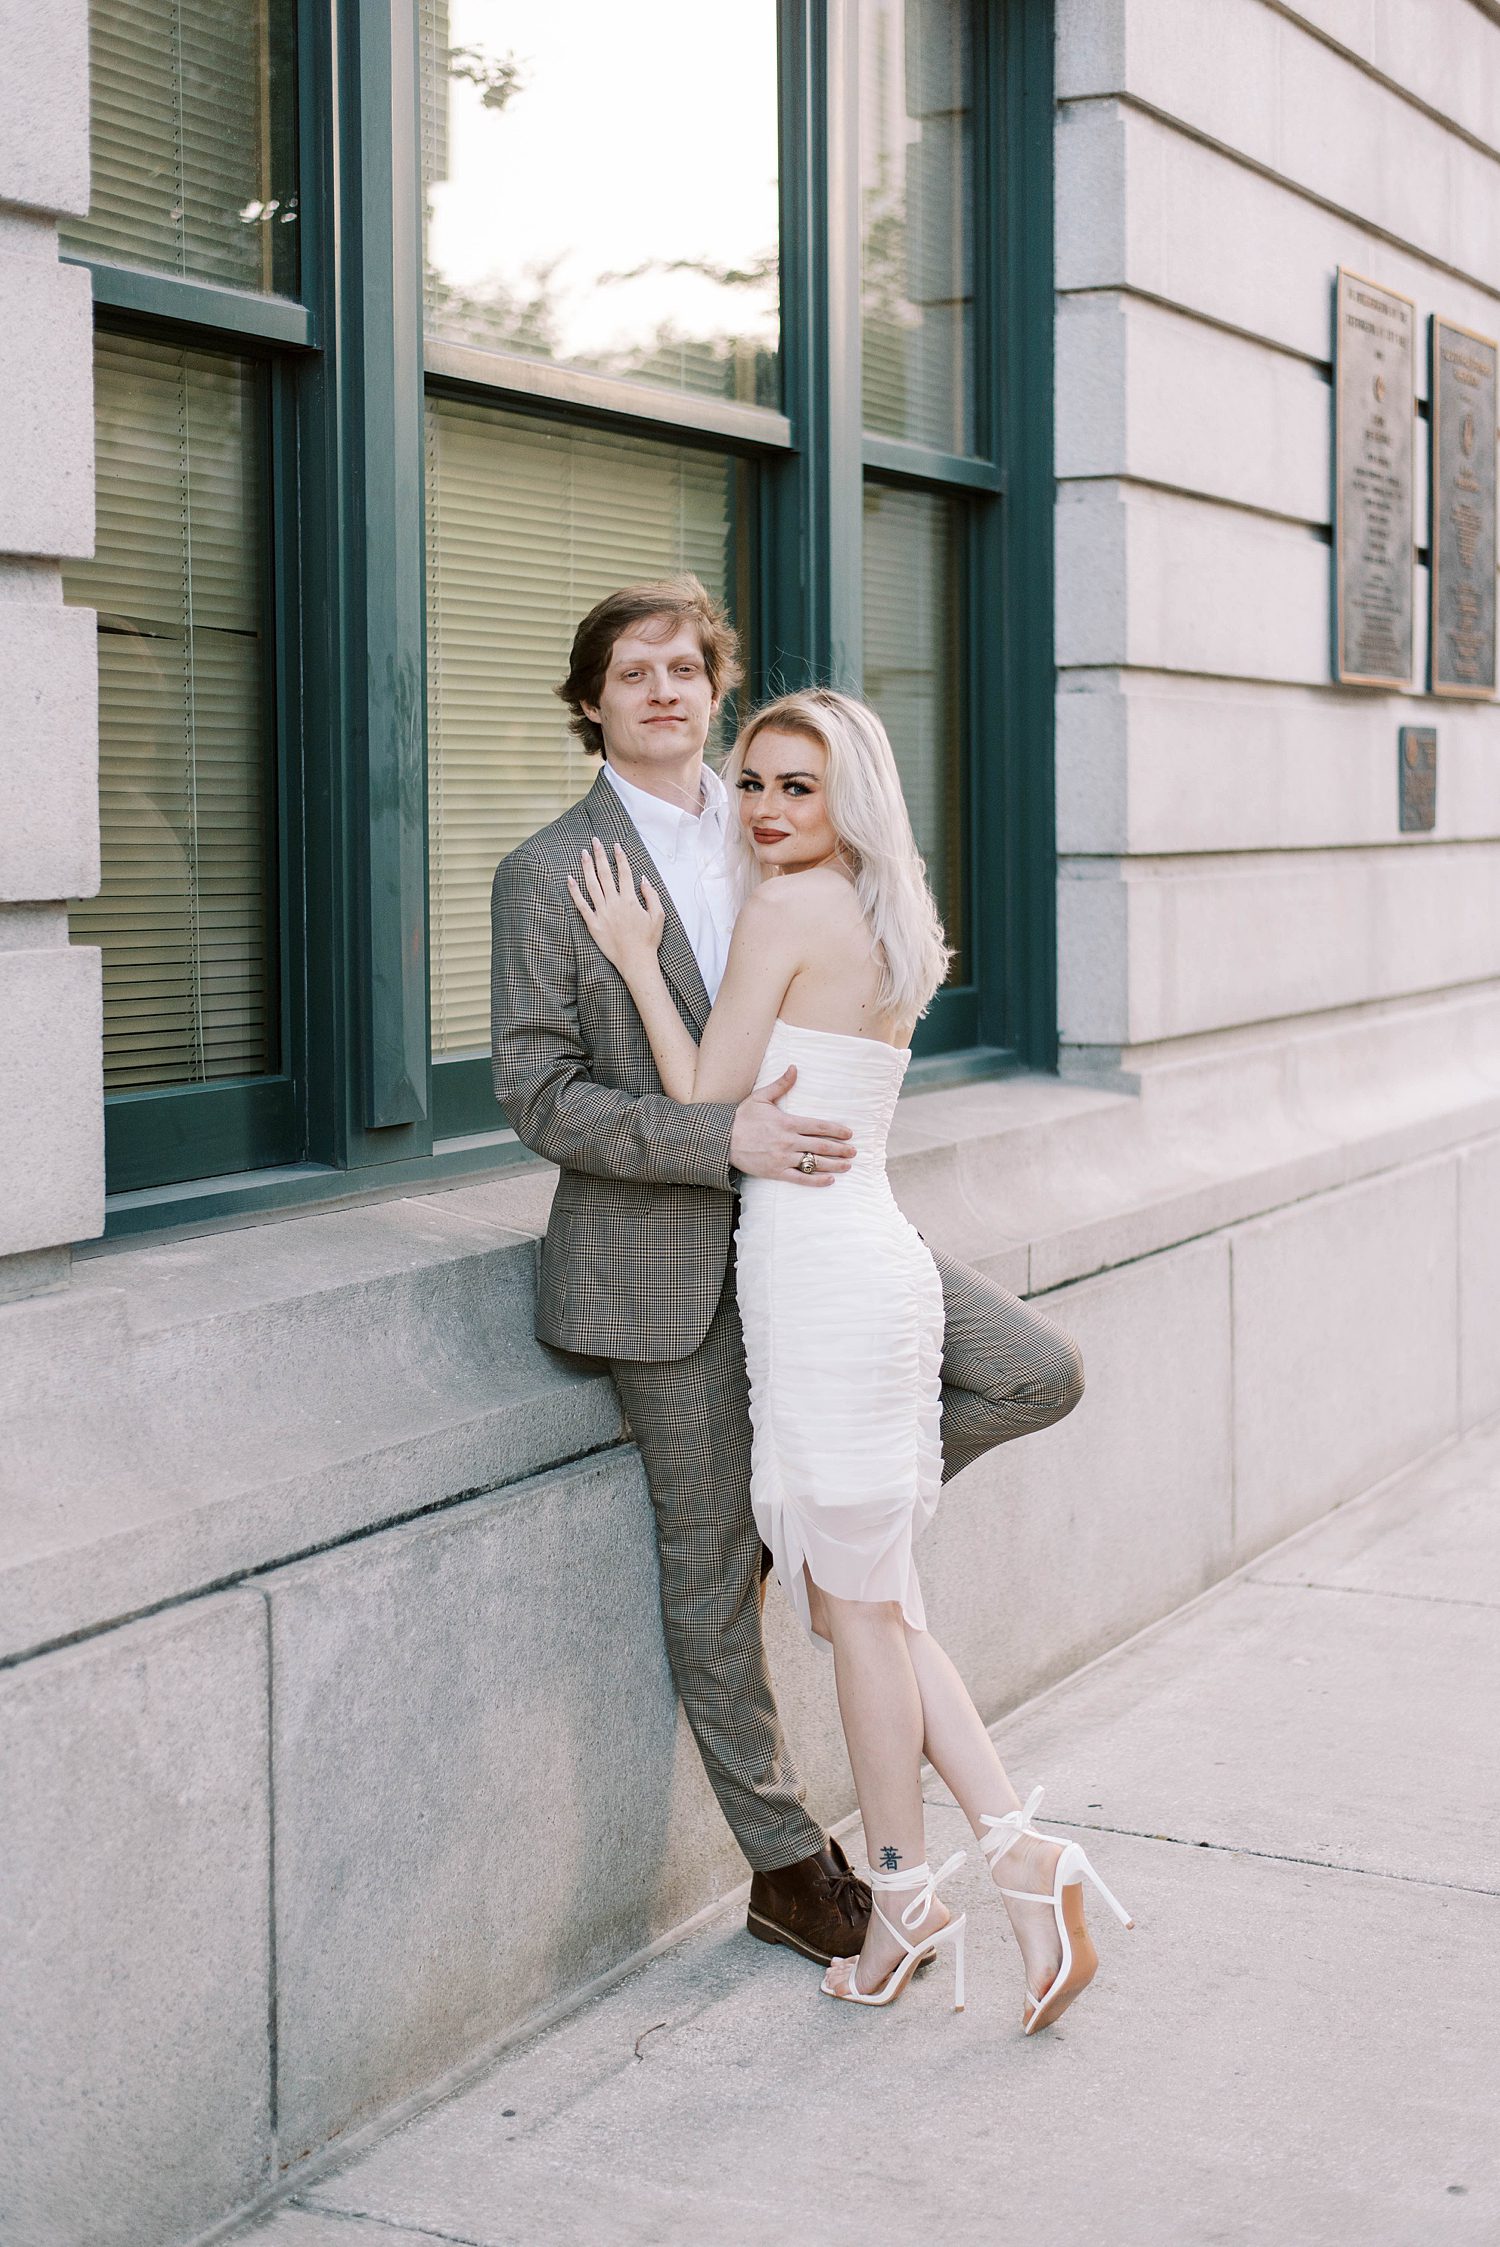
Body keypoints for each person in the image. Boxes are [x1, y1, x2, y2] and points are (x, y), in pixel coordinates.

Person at [490, 577, 1095, 2010]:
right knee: (710, 1586)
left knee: (1031, 1372)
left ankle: (829, 1536)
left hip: (816, 1246)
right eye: (632, 673)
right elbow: (535, 1092)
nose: (664, 693)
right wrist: (721, 1136)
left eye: (686, 669)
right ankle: (790, 1869)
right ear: (592, 701)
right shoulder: (547, 872)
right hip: (668, 1264)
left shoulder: (786, 832)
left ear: (718, 687)